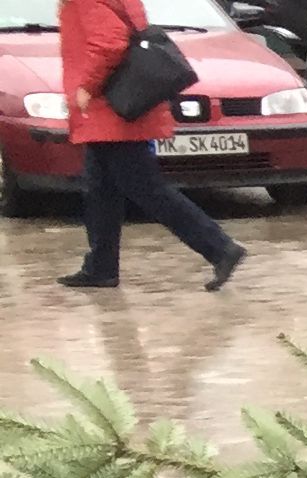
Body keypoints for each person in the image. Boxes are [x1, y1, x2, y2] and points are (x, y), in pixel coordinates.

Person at [57, 0, 247, 291]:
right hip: (120, 109)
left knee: (146, 189)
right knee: (101, 191)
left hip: (112, 112)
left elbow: (109, 44)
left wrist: (86, 86)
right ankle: (101, 267)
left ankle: (220, 247)